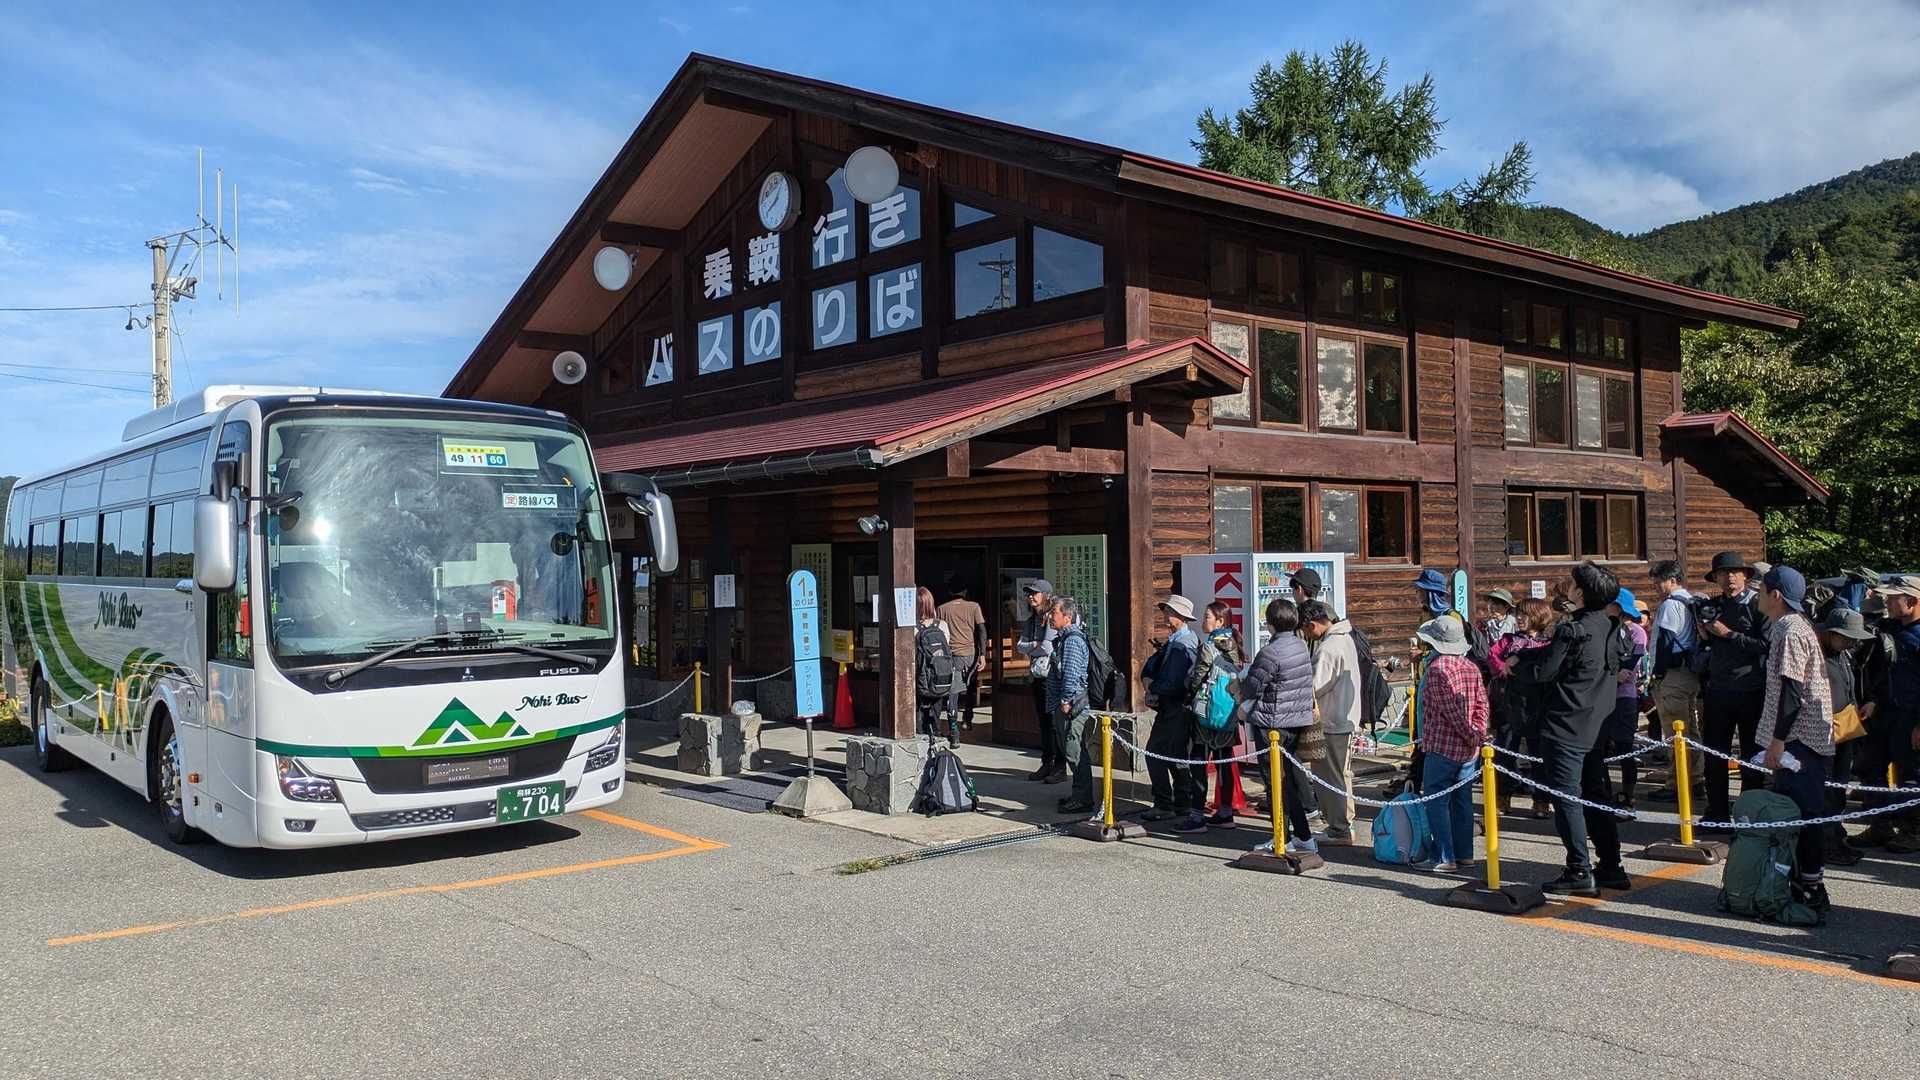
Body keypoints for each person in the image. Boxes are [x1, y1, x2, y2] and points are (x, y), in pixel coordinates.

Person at [1511, 561, 1630, 897]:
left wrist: (1515, 666)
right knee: (1596, 794)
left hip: (1566, 722)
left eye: (1574, 583)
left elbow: (1544, 672)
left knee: (1567, 799)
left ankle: (1579, 869)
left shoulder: (1572, 630)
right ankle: (1611, 865)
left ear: (1582, 592)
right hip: (1597, 721)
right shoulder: (1611, 625)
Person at [1754, 566, 1834, 914]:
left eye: (1761, 590)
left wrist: (1778, 740)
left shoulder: (1788, 628)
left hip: (1800, 737)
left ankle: (1811, 888)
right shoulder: (1796, 625)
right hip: (1803, 736)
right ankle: (1804, 883)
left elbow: (1792, 690)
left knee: (1803, 813)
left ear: (1775, 595)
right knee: (1800, 812)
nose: (1758, 596)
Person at [1239, 599, 1320, 854]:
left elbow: (1252, 688)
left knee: (1275, 783)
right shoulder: (1300, 646)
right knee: (1288, 782)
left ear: (1270, 623)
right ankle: (1304, 836)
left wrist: (1239, 683)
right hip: (1296, 720)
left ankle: (1281, 838)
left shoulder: (1270, 652)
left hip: (1271, 724)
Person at [1698, 552, 1772, 825]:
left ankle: (1748, 814)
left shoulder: (1758, 606)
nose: (1730, 577)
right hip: (1718, 688)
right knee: (1714, 755)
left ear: (1745, 576)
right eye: (1723, 572)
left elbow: (1766, 645)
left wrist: (1728, 634)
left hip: (1751, 689)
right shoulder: (1713, 606)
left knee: (1751, 756)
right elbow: (1705, 644)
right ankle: (1717, 811)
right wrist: (1704, 634)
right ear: (1716, 577)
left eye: (1735, 572)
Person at [1416, 616, 1489, 872]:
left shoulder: (1437, 669)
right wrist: (1477, 733)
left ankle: (1444, 856)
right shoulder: (1471, 666)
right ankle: (1464, 853)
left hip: (1443, 744)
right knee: (1462, 799)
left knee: (1436, 800)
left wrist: (1469, 733)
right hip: (1470, 748)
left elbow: (1450, 712)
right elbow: (1482, 704)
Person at [1860, 575, 1920, 852]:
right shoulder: (1889, 629)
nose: (1888, 602)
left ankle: (1913, 831)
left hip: (1911, 717)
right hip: (1884, 712)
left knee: (1911, 776)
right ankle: (1880, 825)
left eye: (1894, 598)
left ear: (1912, 601)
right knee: (1870, 767)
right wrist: (1874, 700)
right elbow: (1881, 671)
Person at [1489, 597, 1558, 818]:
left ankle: (1541, 801)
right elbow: (1492, 655)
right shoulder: (1509, 640)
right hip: (1510, 703)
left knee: (1539, 754)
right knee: (1506, 751)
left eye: (1524, 614)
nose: (1519, 618)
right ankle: (1503, 797)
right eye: (1518, 614)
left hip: (1538, 705)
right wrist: (1503, 667)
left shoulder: (1548, 642)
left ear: (1538, 616)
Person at [1184, 600, 1248, 833]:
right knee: (1224, 762)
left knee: (1199, 761)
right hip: (1228, 712)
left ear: (1220, 621)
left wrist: (1188, 694)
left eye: (1207, 617)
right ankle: (1225, 813)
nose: (1204, 621)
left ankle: (1196, 816)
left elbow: (1197, 677)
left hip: (1206, 712)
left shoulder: (1210, 646)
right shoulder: (1235, 644)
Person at [1300, 599, 1360, 845]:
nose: (1306, 635)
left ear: (1312, 624)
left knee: (1330, 777)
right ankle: (1344, 824)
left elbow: (1315, 686)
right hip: (1345, 717)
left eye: (1305, 629)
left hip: (1332, 720)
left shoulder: (1328, 648)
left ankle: (1339, 828)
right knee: (1341, 775)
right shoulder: (1345, 638)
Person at [1818, 606, 1874, 867]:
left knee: (1838, 789)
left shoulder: (1842, 654)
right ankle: (1826, 843)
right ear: (1832, 633)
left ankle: (1836, 837)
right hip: (1824, 731)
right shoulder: (1816, 655)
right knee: (1827, 791)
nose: (1852, 643)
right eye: (1848, 637)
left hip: (1845, 727)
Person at [1140, 595, 1199, 825]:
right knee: (1176, 754)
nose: (1166, 614)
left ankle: (1164, 802)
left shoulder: (1183, 644)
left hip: (1175, 705)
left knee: (1155, 753)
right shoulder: (1178, 640)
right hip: (1176, 706)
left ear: (1181, 616)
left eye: (1170, 611)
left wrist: (1152, 688)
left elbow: (1173, 681)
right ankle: (1182, 801)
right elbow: (1153, 666)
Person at [1648, 560, 1703, 800]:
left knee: (1675, 731)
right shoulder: (1690, 601)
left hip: (1672, 675)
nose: (1655, 586)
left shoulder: (1671, 604)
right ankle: (1695, 779)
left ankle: (1677, 785)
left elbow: (1666, 642)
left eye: (1658, 582)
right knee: (1691, 730)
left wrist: (1657, 673)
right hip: (1689, 673)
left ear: (1672, 580)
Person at [1046, 596, 1096, 814]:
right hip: (1065, 704)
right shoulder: (1064, 638)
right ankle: (1078, 795)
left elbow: (1071, 674)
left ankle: (1083, 799)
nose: (1050, 616)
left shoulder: (1073, 640)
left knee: (1074, 751)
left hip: (1072, 706)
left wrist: (1066, 701)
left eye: (1054, 612)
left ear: (1067, 616)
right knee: (1070, 749)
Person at [1605, 588, 1650, 809]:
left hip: (1625, 696)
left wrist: (1612, 673)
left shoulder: (1636, 632)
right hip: (1602, 696)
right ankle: (1603, 793)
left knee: (1625, 746)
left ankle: (1628, 794)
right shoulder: (1602, 629)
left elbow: (1629, 667)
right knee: (1600, 748)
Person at [1016, 579, 1063, 782]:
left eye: (1034, 593)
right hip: (1038, 675)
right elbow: (1020, 645)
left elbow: (1048, 647)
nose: (1030, 597)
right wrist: (1035, 645)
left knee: (1054, 723)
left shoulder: (1052, 616)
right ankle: (1046, 763)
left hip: (1053, 676)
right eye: (1029, 593)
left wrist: (1033, 646)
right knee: (1044, 723)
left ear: (1045, 595)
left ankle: (1060, 767)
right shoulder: (1032, 619)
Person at [936, 577, 988, 732]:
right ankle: (967, 719)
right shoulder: (974, 607)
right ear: (965, 591)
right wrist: (982, 654)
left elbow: (939, 632)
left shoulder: (941, 609)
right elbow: (982, 630)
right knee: (971, 687)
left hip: (951, 655)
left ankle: (953, 726)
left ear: (949, 591)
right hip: (970, 654)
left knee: (953, 691)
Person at [913, 587, 959, 740]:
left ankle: (922, 741)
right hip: (940, 677)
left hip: (921, 678)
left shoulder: (913, 628)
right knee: (936, 713)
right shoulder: (942, 625)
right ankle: (936, 739)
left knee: (920, 715)